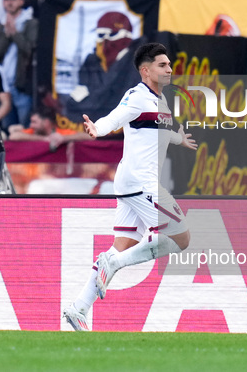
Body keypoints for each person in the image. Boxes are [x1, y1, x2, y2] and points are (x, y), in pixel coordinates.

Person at [63, 42, 197, 331]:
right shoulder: (136, 96)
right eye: (162, 65)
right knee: (181, 238)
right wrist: (97, 128)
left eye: (169, 64)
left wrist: (178, 139)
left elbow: (157, 130)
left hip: (131, 182)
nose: (169, 69)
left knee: (121, 247)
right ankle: (114, 265)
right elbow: (116, 117)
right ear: (145, 71)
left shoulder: (160, 101)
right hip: (140, 182)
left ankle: (78, 309)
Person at [0, 0, 38, 129]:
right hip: (4, 88)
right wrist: (6, 36)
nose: (10, 2)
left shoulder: (31, 23)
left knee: (25, 127)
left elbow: (30, 50)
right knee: (6, 129)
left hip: (22, 85)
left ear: (21, 1)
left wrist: (15, 34)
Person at [8, 105, 91, 149]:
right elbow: (13, 136)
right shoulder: (32, 132)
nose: (31, 125)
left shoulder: (60, 132)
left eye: (34, 122)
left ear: (46, 122)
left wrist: (64, 138)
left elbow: (90, 137)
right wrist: (44, 139)